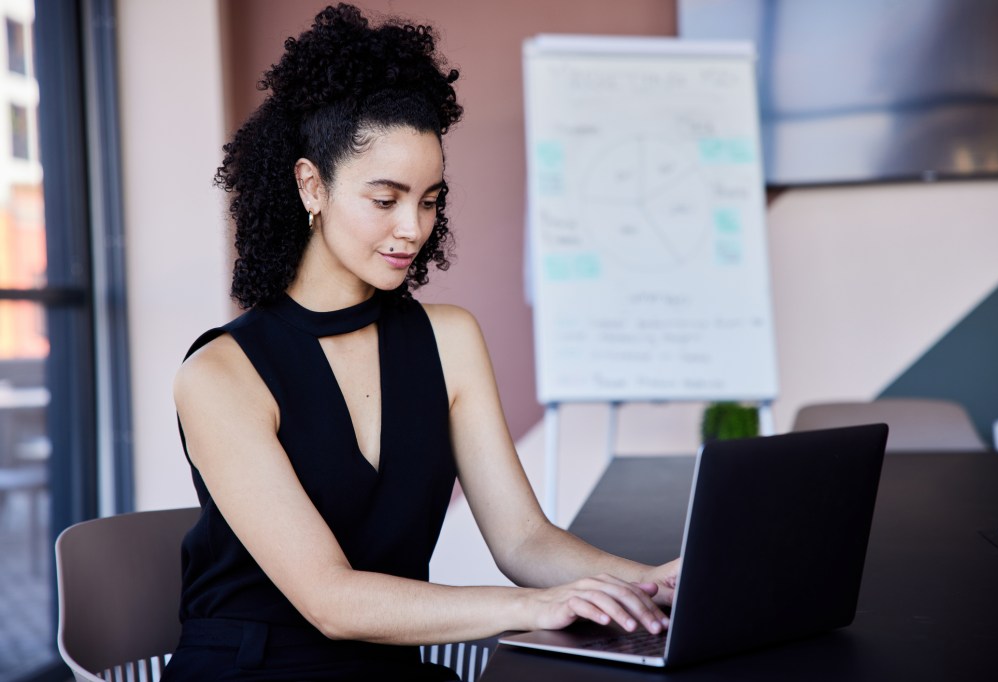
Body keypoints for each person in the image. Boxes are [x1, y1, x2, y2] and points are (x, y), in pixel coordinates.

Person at [164, 4, 679, 680]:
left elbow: (523, 538)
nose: (414, 228)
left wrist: (648, 586)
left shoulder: (451, 340)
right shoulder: (221, 374)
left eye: (431, 199)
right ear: (310, 185)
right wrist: (533, 606)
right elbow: (330, 600)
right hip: (256, 669)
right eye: (386, 199)